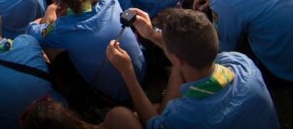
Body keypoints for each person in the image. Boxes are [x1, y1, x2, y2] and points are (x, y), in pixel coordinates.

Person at [105, 8, 280, 129]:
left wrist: (127, 72)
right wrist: (152, 35)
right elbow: (186, 55)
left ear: (177, 59)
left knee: (119, 115)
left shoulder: (183, 116)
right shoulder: (241, 62)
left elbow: (153, 124)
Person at [30, 0, 145, 104]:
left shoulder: (64, 29)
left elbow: (34, 33)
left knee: (44, 35)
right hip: (141, 72)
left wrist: (49, 13)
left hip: (116, 94)